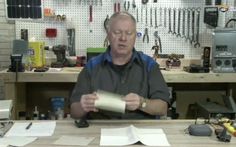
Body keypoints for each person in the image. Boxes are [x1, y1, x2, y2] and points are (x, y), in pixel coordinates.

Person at [70, 11, 170, 119]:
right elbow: (74, 112)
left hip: (140, 131)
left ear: (135, 36)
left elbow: (162, 108)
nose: (123, 38)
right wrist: (82, 105)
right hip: (101, 130)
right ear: (108, 35)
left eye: (128, 33)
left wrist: (142, 103)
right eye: (117, 32)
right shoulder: (92, 66)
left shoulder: (149, 65)